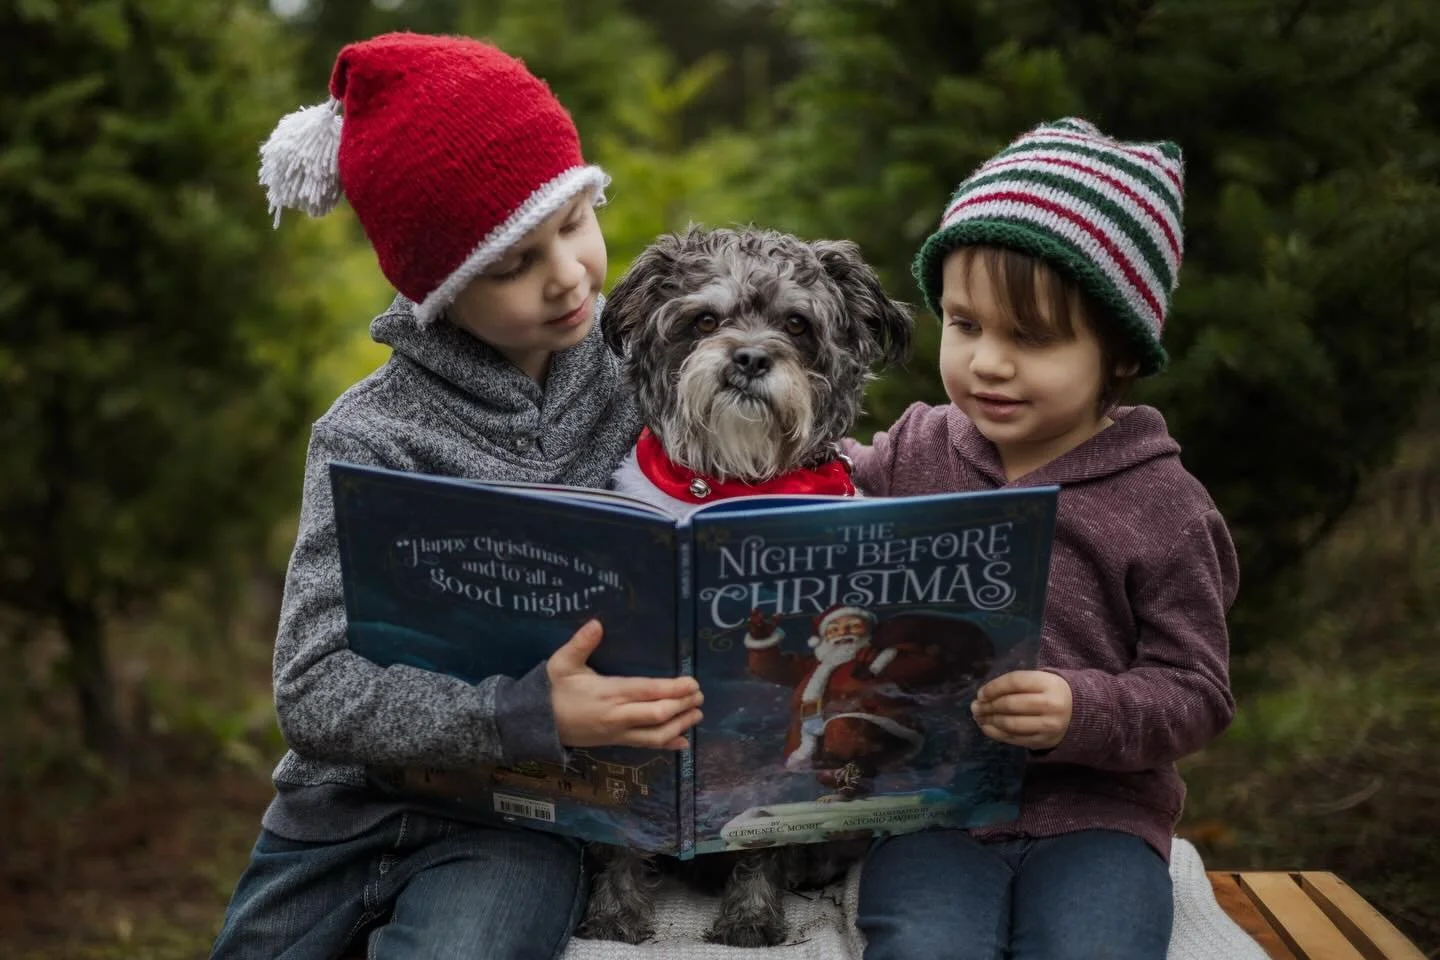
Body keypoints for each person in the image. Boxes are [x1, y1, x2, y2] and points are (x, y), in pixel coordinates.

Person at [210, 33, 703, 960]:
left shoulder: (650, 374)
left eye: (576, 220)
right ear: (437, 288)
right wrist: (527, 715)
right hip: (340, 815)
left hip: (520, 825)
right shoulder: (368, 436)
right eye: (512, 264)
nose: (565, 274)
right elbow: (311, 690)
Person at [842, 117, 1240, 960]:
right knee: (920, 946)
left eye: (1031, 337)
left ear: (1119, 353)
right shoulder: (917, 447)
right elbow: (823, 487)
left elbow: (1197, 689)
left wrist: (1082, 708)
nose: (988, 363)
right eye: (965, 324)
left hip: (1097, 816)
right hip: (930, 806)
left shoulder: (1163, 505)